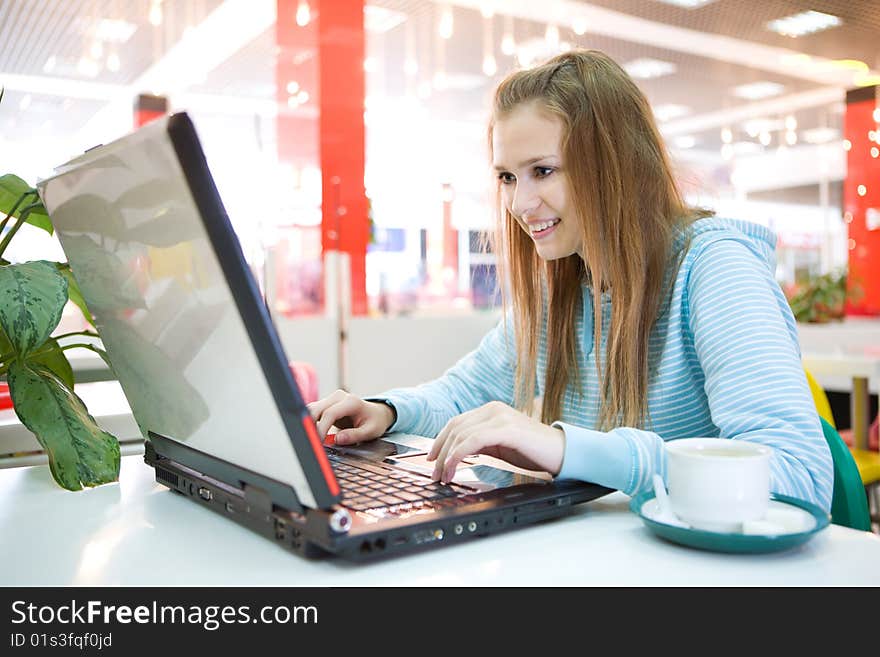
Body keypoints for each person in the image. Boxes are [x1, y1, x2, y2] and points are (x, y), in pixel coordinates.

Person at [308, 49, 833, 511]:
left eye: (543, 170)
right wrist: (387, 410)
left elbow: (799, 477)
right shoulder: (565, 283)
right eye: (508, 177)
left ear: (617, 163)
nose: (519, 203)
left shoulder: (714, 267)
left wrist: (566, 449)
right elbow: (469, 388)